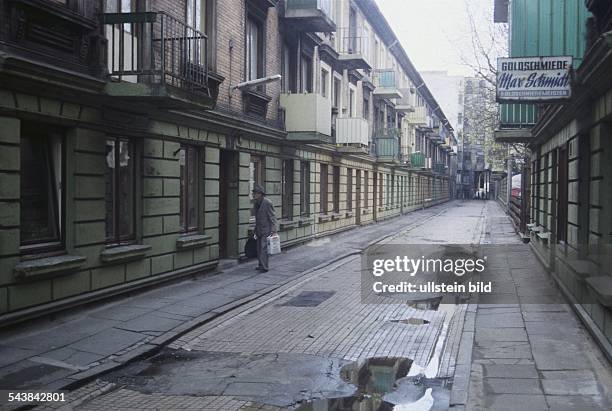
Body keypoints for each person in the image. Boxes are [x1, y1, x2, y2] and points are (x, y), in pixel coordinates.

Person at [251, 184, 277, 272]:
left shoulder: (267, 203)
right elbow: (257, 217)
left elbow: (272, 217)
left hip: (266, 229)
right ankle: (260, 265)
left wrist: (274, 230)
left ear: (260, 194)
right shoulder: (256, 203)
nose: (253, 195)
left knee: (263, 249)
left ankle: (265, 267)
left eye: (255, 193)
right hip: (258, 229)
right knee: (259, 248)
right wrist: (255, 229)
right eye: (253, 193)